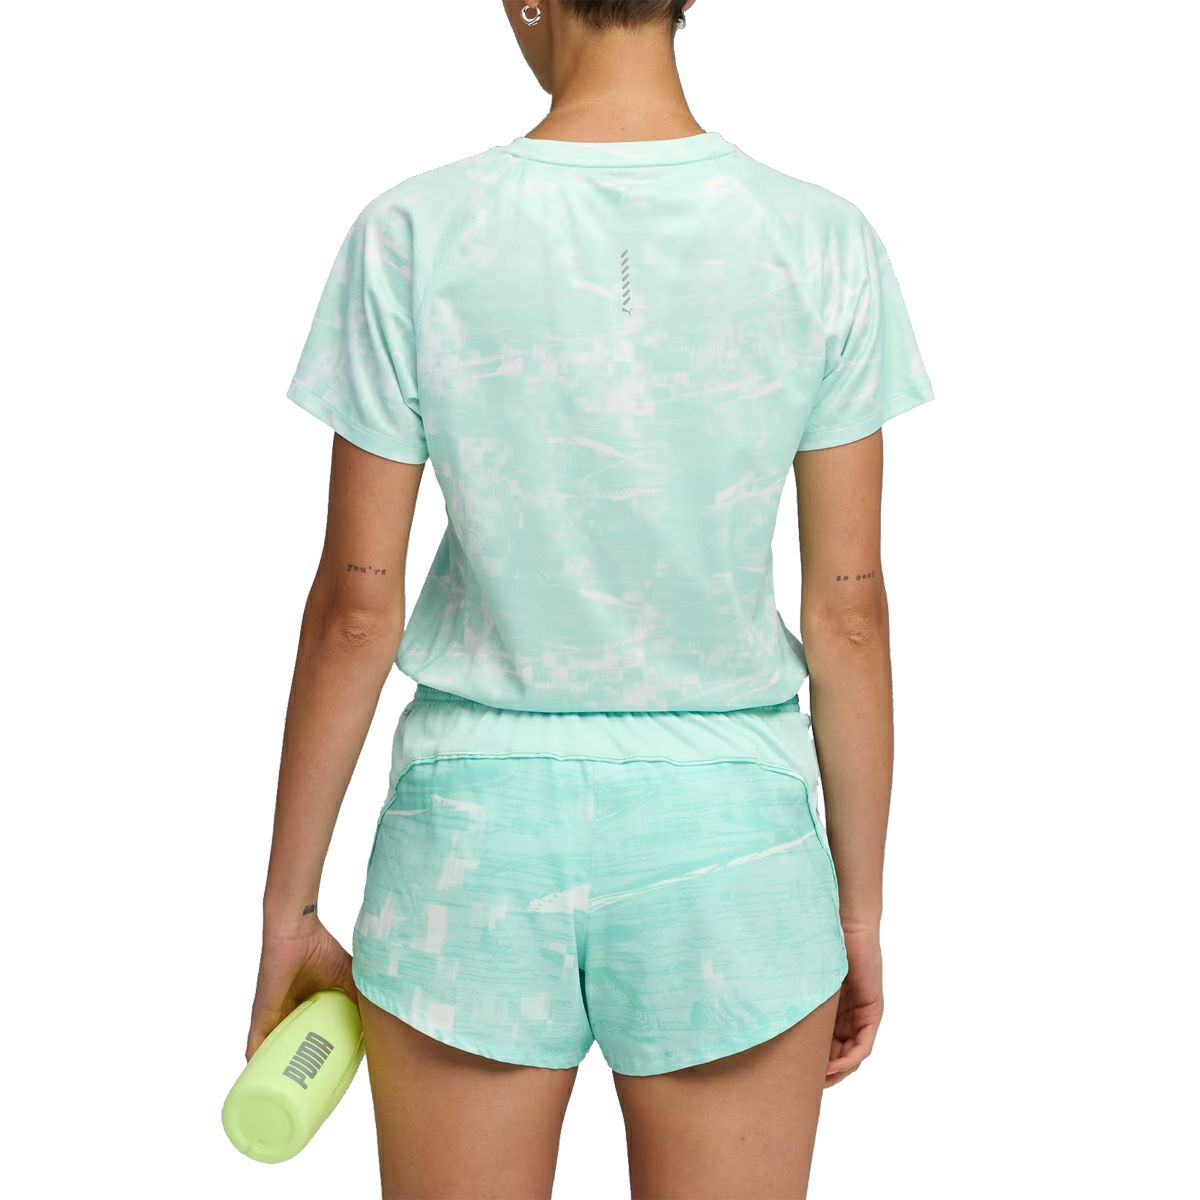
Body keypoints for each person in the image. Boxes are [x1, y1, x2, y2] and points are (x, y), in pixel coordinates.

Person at [246, 1, 935, 1195]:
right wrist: (859, 911)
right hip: (730, 848)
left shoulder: (413, 232)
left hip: (471, 848)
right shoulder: (821, 240)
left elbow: (357, 611)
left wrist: (288, 911)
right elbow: (849, 614)